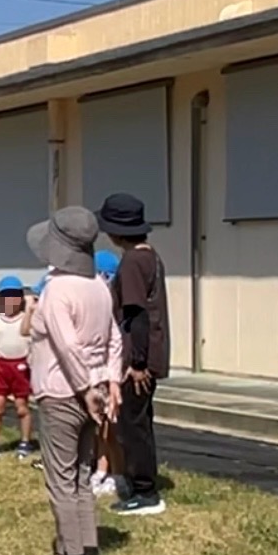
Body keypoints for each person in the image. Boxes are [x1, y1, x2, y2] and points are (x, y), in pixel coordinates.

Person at [25, 207, 124, 555]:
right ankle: (88, 553)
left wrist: (84, 389)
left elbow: (67, 347)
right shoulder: (99, 284)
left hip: (62, 391)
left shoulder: (57, 290)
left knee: (61, 476)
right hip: (94, 389)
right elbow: (114, 337)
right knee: (83, 474)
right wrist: (109, 382)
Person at [99, 193, 171, 517]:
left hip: (136, 359)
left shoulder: (131, 262)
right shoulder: (150, 257)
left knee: (132, 424)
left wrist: (137, 362)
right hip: (146, 351)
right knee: (138, 421)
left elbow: (136, 313)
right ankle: (139, 484)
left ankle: (145, 491)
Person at [0, 276, 36, 460]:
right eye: (6, 297)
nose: (10, 301)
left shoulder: (26, 321)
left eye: (14, 297)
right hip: (1, 367)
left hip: (20, 367)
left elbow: (32, 345)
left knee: (22, 406)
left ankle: (25, 441)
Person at [91, 249, 124, 496]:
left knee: (110, 428)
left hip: (112, 373)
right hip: (96, 373)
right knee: (98, 426)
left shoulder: (115, 304)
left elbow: (116, 344)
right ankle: (102, 468)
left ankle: (119, 474)